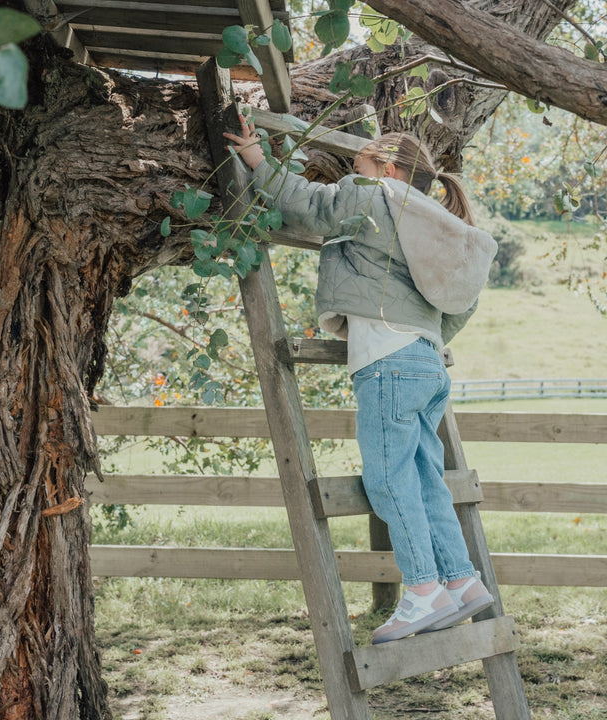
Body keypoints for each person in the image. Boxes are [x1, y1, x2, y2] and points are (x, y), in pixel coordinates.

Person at [225, 118, 497, 644]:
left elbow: (308, 205)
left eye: (358, 165)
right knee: (425, 479)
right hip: (427, 362)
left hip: (387, 362)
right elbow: (466, 302)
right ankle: (461, 580)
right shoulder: (435, 221)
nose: (352, 174)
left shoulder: (374, 196)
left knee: (389, 479)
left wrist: (257, 158)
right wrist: (431, 335)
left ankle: (422, 590)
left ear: (387, 169)